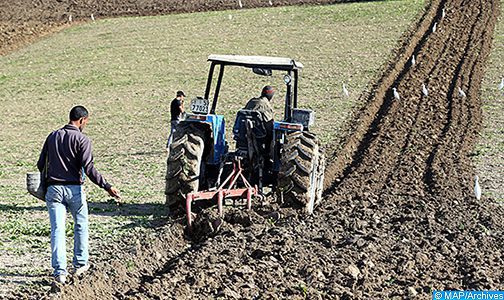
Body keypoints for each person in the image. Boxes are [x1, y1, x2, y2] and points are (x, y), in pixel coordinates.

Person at [37, 105, 121, 284]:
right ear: (82, 120)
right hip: (75, 189)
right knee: (81, 225)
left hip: (53, 190)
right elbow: (89, 169)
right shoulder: (82, 140)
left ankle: (60, 272)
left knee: (57, 230)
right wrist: (107, 186)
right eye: (86, 122)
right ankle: (80, 265)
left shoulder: (52, 137)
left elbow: (40, 164)